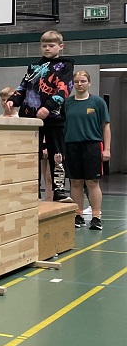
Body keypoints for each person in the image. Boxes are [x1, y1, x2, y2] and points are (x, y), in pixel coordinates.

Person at [7, 30, 74, 202]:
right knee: (31, 153)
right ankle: (31, 189)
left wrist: (49, 107)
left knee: (56, 154)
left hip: (54, 118)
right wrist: (13, 100)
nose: (47, 49)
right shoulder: (34, 67)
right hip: (30, 118)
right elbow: (23, 86)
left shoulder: (65, 65)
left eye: (51, 46)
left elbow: (64, 88)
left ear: (60, 46)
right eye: (44, 46)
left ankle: (59, 190)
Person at [63, 70, 111, 230]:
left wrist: (107, 149)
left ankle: (96, 217)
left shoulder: (97, 102)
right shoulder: (68, 103)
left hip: (92, 145)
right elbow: (61, 127)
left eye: (83, 81)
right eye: (77, 81)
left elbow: (106, 126)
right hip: (72, 145)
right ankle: (78, 215)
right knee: (75, 182)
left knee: (92, 182)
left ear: (89, 83)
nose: (80, 84)